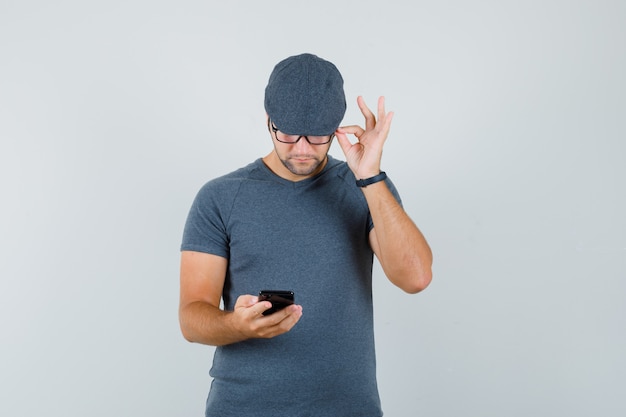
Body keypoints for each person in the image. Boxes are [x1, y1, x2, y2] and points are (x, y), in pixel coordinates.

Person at [179, 53, 433, 417]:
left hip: (348, 408)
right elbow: (191, 318)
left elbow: (416, 277)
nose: (301, 148)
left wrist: (370, 177)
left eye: (316, 136)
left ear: (336, 129)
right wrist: (236, 324)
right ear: (269, 122)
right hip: (244, 408)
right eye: (287, 132)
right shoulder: (220, 197)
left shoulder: (363, 188)